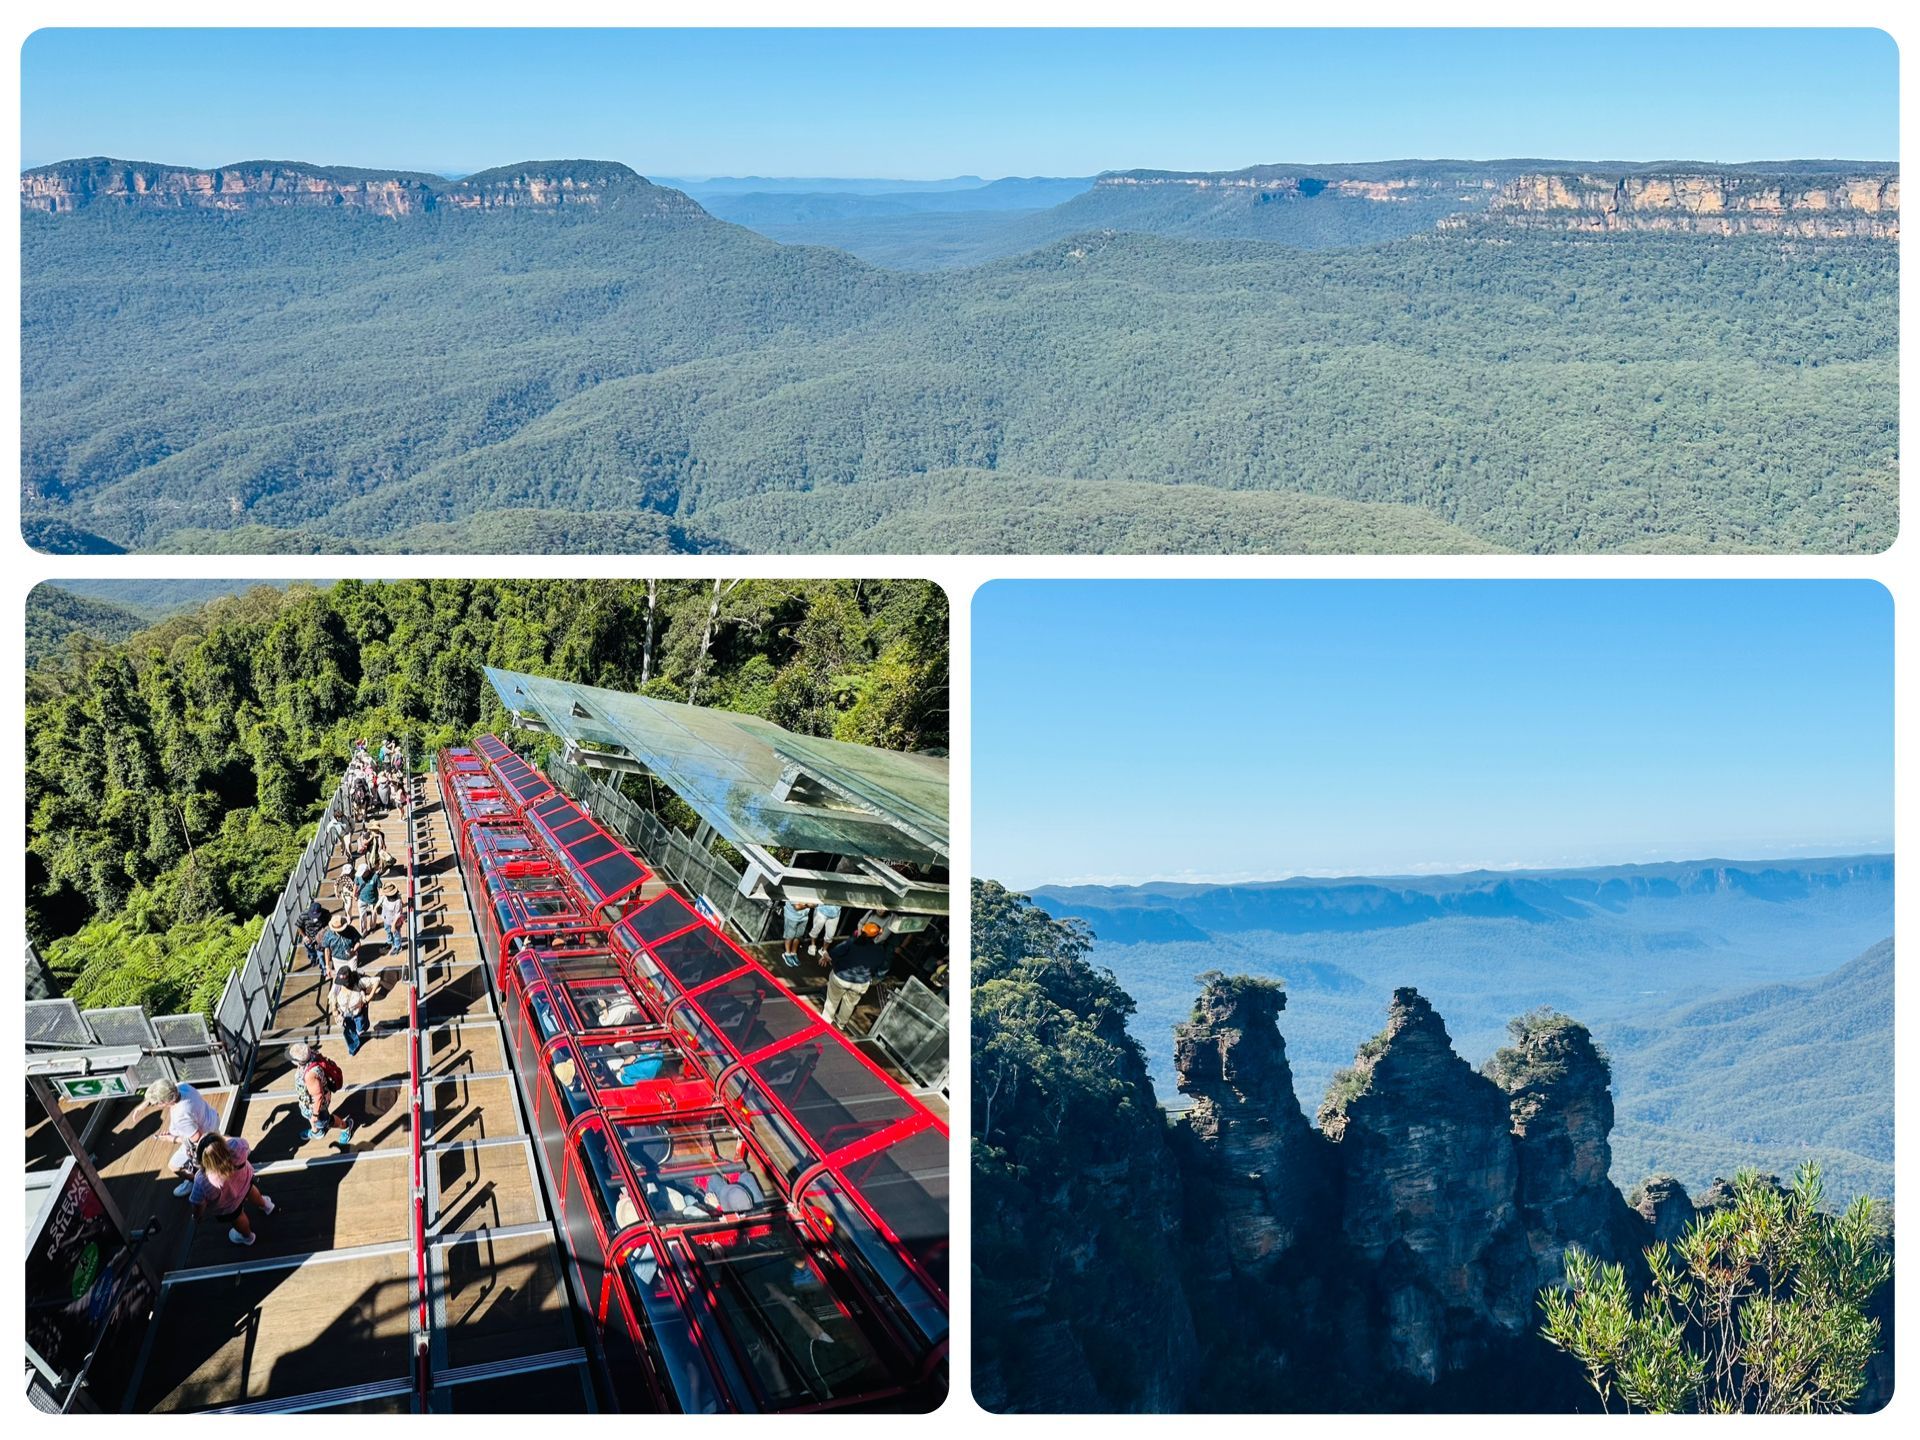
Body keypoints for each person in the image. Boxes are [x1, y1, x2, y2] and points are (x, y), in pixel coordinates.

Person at [190, 1134, 275, 1246]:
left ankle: (248, 1237)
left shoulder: (202, 1180)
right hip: (245, 1183)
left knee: (238, 1218)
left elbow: (197, 1203)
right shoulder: (237, 1147)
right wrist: (220, 1138)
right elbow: (244, 1144)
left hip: (229, 1205)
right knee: (252, 1191)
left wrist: (197, 1216)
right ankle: (267, 1206)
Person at [145, 1078, 221, 1197]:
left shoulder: (181, 1115)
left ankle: (200, 1184)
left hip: (206, 1136)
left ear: (166, 1102)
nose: (156, 1105)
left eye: (157, 1103)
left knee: (174, 1166)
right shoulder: (182, 1087)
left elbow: (197, 1138)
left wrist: (172, 1139)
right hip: (212, 1119)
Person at [823, 920, 891, 1030]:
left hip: (840, 977)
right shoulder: (880, 951)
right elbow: (881, 968)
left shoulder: (851, 942)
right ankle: (841, 1024)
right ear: (877, 936)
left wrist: (835, 963)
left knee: (832, 1000)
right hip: (861, 983)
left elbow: (834, 953)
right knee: (849, 1005)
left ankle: (826, 1020)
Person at [288, 1040, 353, 1148]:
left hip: (317, 1107)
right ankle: (317, 1132)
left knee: (326, 1121)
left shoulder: (310, 1075)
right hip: (307, 1103)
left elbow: (318, 1096)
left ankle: (345, 1126)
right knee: (312, 1119)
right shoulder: (310, 1056)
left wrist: (315, 1115)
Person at [331, 965, 378, 1056]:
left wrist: (370, 996)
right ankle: (353, 1047)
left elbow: (376, 980)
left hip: (358, 1013)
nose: (343, 984)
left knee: (361, 1028)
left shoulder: (359, 982)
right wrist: (334, 1009)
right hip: (345, 1014)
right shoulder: (338, 985)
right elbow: (333, 996)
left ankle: (360, 1031)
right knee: (349, 1032)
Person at [320, 911, 361, 980]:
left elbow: (358, 942)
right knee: (342, 978)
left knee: (353, 975)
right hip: (337, 960)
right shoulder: (328, 934)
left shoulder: (351, 929)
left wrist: (354, 950)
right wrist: (327, 966)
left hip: (351, 957)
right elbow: (326, 950)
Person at [779, 898, 814, 969]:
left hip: (804, 917)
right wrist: (808, 904)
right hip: (791, 916)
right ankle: (787, 954)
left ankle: (793, 953)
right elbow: (797, 907)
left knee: (798, 935)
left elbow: (815, 905)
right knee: (789, 936)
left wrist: (804, 904)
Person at [295, 900, 329, 970]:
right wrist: (305, 936)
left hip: (321, 937)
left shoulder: (326, 913)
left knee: (321, 953)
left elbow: (329, 924)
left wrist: (323, 933)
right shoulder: (303, 915)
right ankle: (313, 958)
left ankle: (323, 965)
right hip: (309, 936)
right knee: (310, 950)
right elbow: (298, 926)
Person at [379, 881, 407, 957]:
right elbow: (381, 901)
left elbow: (398, 914)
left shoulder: (397, 901)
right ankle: (389, 942)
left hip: (395, 922)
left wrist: (393, 925)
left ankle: (398, 946)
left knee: (396, 934)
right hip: (386, 919)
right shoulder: (385, 897)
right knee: (388, 931)